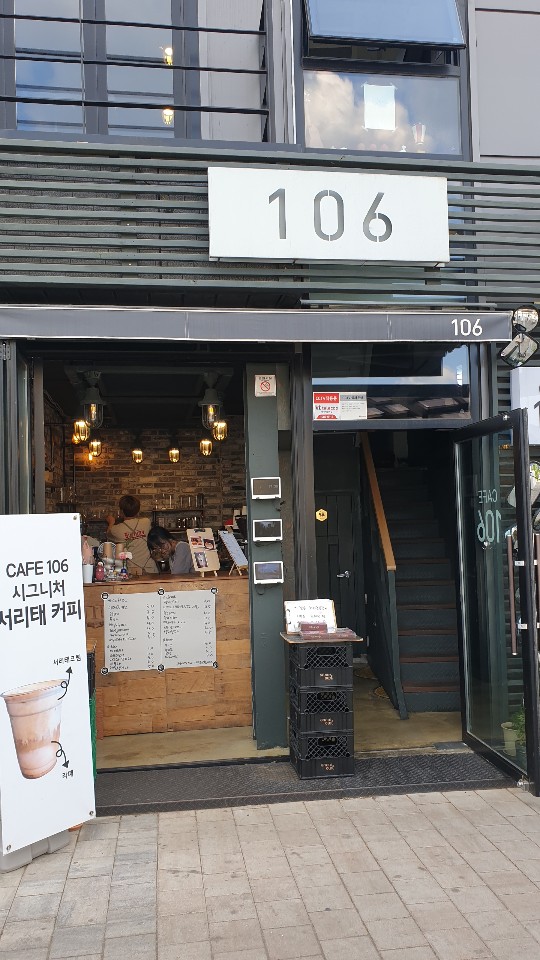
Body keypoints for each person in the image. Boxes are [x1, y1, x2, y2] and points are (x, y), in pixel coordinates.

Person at [106, 495, 157, 575]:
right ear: (138, 510)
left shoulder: (116, 529)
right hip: (150, 569)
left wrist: (111, 522)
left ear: (121, 511)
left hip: (132, 571)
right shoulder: (146, 522)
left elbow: (108, 535)